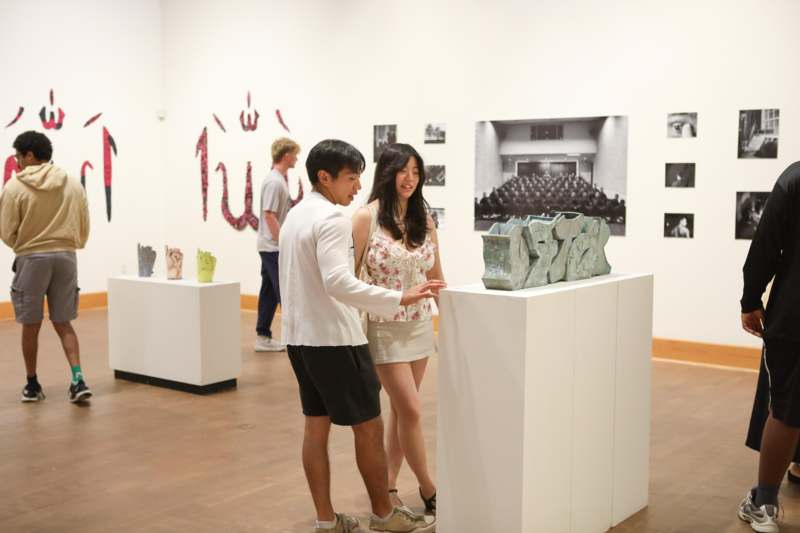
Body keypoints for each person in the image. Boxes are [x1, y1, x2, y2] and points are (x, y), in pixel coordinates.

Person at [279, 139, 443, 533]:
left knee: (315, 427)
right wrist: (397, 296)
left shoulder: (296, 216)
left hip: (300, 338)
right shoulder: (335, 219)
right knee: (370, 427)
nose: (356, 187)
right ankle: (385, 514)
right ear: (325, 176)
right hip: (337, 339)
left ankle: (326, 519)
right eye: (351, 178)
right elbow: (339, 281)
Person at [352, 144, 443, 515]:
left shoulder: (424, 215)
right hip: (384, 326)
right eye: (403, 171)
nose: (410, 179)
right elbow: (349, 279)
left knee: (404, 412)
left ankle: (388, 485)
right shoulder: (365, 217)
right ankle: (428, 487)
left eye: (416, 172)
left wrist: (451, 324)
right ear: (387, 172)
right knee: (413, 409)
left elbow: (437, 277)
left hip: (420, 325)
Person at [0, 131, 91, 403]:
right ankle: (77, 380)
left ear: (30, 155)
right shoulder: (72, 184)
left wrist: (23, 244)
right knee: (63, 322)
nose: (17, 163)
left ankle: (32, 384)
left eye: (18, 156)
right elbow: (84, 221)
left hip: (32, 259)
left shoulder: (15, 187)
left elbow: (5, 230)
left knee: (31, 324)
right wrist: (72, 243)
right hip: (65, 256)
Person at [738, 161, 800, 532]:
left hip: (795, 316)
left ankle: (764, 501)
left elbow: (765, 247)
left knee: (787, 407)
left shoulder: (794, 179)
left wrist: (750, 300)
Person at [255, 138, 299, 352]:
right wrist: (283, 242)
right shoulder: (274, 181)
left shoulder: (279, 179)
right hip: (273, 247)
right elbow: (269, 214)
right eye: (295, 154)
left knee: (270, 292)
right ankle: (294, 338)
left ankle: (263, 335)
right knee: (285, 290)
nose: (297, 158)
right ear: (286, 155)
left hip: (270, 245)